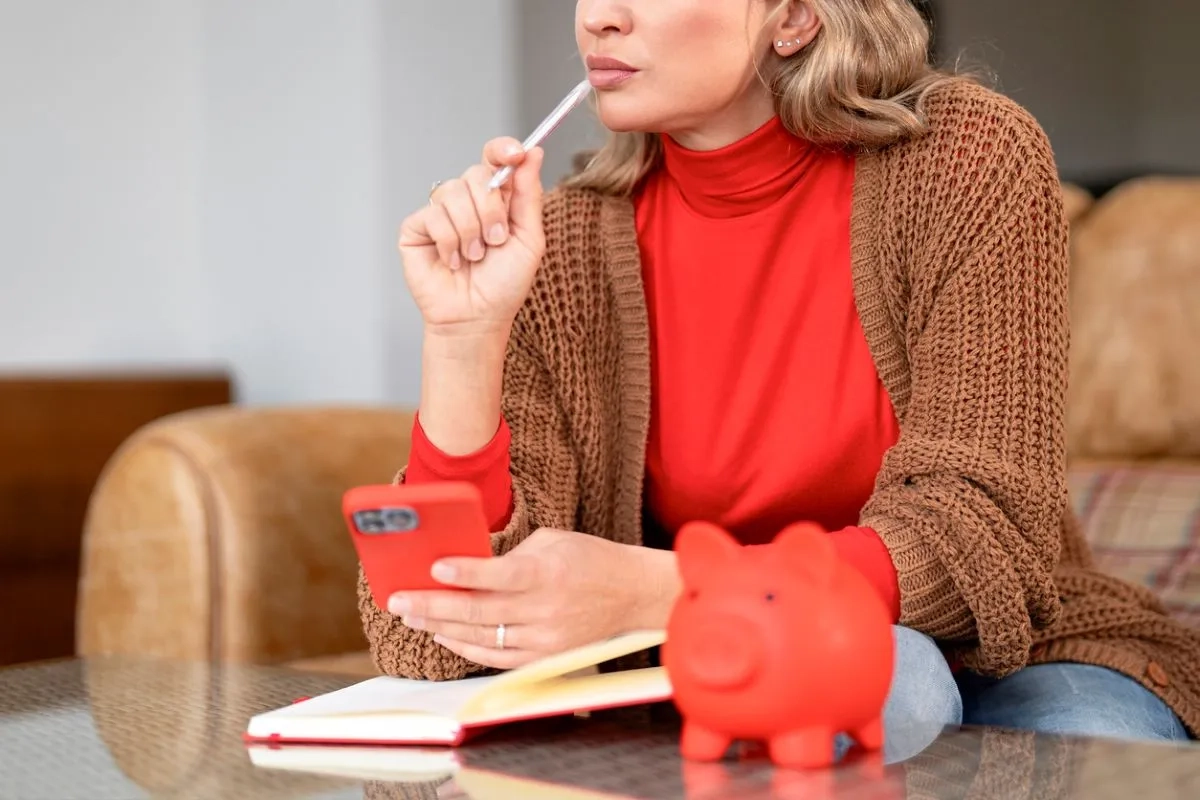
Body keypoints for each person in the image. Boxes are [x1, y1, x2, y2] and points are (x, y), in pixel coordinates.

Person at [360, 0, 1199, 748]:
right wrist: (464, 337)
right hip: (744, 674)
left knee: (954, 694)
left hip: (1020, 656)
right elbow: (427, 639)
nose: (598, 16)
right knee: (885, 680)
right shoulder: (563, 243)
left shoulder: (968, 158)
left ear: (794, 16)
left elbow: (983, 541)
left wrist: (663, 592)